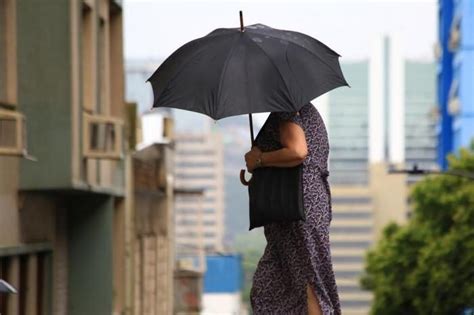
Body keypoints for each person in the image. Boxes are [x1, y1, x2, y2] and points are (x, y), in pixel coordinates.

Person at [244, 102, 340, 315]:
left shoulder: (287, 106)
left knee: (308, 281)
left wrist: (259, 159)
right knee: (270, 284)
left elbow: (297, 151)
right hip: (295, 206)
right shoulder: (296, 109)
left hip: (298, 204)